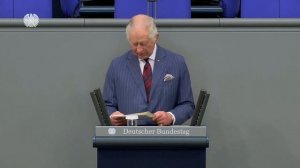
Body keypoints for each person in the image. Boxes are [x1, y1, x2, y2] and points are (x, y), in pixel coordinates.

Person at [103, 14, 195, 126]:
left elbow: (187, 104)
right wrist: (112, 115)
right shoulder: (116, 66)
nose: (139, 50)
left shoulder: (177, 63)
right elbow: (107, 105)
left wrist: (171, 116)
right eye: (134, 44)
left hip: (165, 139)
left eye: (143, 44)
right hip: (128, 139)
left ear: (156, 37)